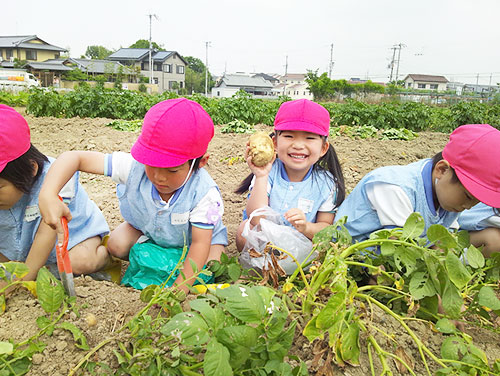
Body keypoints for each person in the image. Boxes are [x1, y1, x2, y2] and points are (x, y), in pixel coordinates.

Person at [39, 98, 227, 291]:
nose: (159, 177)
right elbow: (75, 158)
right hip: (152, 232)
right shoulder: (132, 167)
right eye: (151, 164)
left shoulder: (204, 194)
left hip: (200, 240)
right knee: (116, 245)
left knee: (212, 266)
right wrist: (48, 193)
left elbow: (199, 244)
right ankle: (153, 249)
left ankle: (157, 256)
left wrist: (179, 289)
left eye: (172, 170)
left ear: (201, 162)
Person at [336, 123, 500, 244]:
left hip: (404, 250)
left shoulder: (450, 198)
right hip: (353, 253)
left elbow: (442, 242)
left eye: (477, 201)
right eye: (468, 196)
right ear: (442, 170)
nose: (469, 206)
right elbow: (398, 249)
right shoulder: (395, 187)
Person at [0, 104, 110, 282]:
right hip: (18, 246)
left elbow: (47, 233)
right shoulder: (9, 187)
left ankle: (105, 255)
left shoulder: (57, 179)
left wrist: (23, 280)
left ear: (30, 170)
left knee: (80, 262)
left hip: (71, 240)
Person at [235, 99, 345, 251]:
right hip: (267, 244)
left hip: (300, 247)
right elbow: (255, 217)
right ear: (275, 143)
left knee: (323, 245)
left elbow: (325, 226)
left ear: (323, 148)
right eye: (289, 136)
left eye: (309, 138)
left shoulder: (326, 183)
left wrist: (306, 227)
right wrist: (260, 176)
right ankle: (256, 269)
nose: (298, 145)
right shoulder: (269, 172)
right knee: (243, 230)